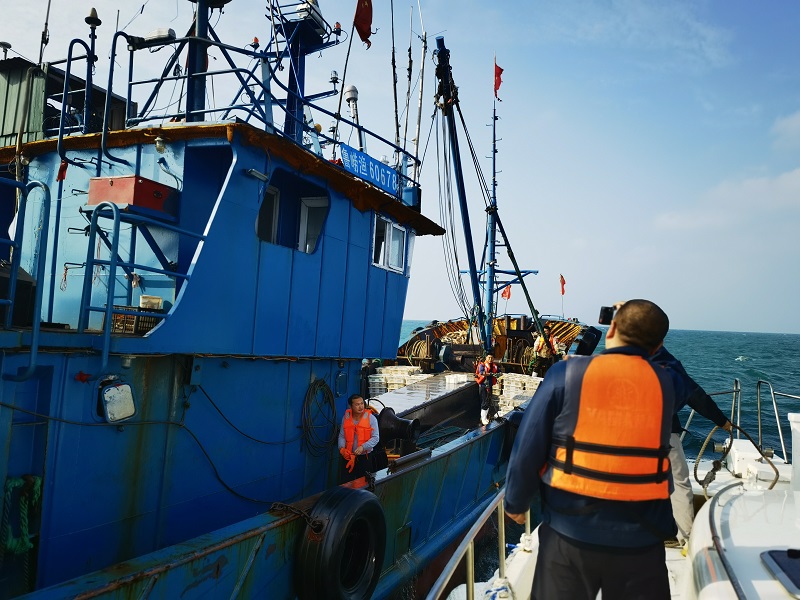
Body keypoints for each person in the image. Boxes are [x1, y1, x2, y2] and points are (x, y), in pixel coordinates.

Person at [505, 299, 677, 600]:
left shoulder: (565, 374)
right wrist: (643, 324)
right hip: (642, 538)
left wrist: (515, 502)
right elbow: (663, 363)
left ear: (611, 329)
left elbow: (528, 444)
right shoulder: (666, 383)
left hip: (569, 533)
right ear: (659, 345)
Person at [651, 346, 732, 543]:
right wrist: (722, 421)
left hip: (622, 434)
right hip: (662, 432)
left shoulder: (614, 358)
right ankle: (684, 536)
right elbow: (694, 394)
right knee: (678, 482)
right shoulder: (665, 361)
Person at [338, 394, 380, 483]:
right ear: (351, 406)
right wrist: (342, 449)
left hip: (365, 457)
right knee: (346, 483)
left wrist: (363, 447)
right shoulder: (346, 418)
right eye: (357, 404)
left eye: (362, 403)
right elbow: (342, 436)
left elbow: (376, 438)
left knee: (364, 483)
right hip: (348, 457)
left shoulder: (371, 419)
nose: (361, 407)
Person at [475, 354, 499, 425]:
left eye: (492, 358)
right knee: (484, 401)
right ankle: (483, 419)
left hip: (490, 386)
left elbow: (499, 371)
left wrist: (499, 374)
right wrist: (490, 374)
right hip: (483, 386)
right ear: (486, 358)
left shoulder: (494, 366)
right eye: (489, 357)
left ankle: (485, 416)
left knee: (488, 401)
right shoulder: (482, 365)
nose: (490, 359)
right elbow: (481, 372)